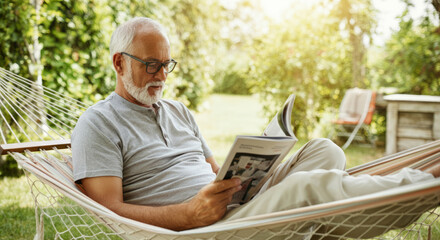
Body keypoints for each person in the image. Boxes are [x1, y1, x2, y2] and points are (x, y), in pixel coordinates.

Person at [72, 17, 440, 235]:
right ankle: (428, 185)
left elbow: (215, 173)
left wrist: (248, 178)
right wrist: (187, 214)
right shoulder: (98, 124)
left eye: (168, 65)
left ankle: (303, 228)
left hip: (231, 212)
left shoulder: (179, 111)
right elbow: (109, 210)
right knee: (307, 185)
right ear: (119, 63)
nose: (162, 76)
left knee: (325, 150)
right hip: (201, 232)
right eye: (152, 64)